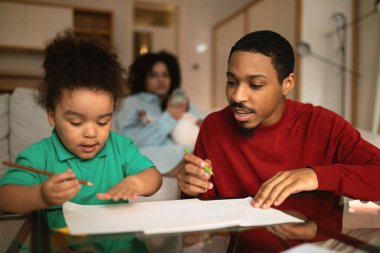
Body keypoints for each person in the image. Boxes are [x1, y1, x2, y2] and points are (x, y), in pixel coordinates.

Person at [177, 30, 380, 250]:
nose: (237, 96)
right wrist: (189, 188)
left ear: (287, 83)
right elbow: (200, 218)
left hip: (316, 244)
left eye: (255, 85)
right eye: (231, 82)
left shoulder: (323, 124)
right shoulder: (214, 126)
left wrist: (315, 177)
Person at [0, 29, 162, 214]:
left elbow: (154, 177)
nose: (91, 133)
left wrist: (135, 182)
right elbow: (4, 198)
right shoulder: (39, 156)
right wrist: (41, 195)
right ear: (52, 116)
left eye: (102, 122)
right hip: (59, 241)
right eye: (76, 122)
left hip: (115, 241)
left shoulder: (121, 148)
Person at [114, 51, 204, 176]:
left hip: (187, 151)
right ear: (143, 78)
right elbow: (131, 141)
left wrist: (203, 125)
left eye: (165, 75)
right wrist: (170, 117)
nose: (161, 80)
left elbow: (203, 122)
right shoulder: (130, 103)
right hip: (154, 155)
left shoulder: (179, 100)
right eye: (153, 75)